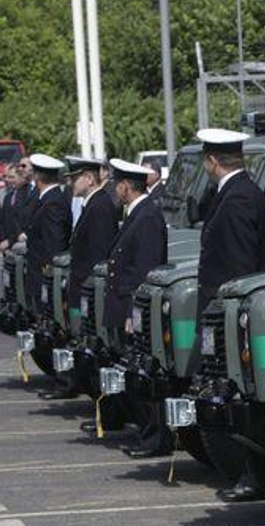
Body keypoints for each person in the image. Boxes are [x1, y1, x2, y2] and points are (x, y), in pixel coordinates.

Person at [195, 127, 265, 499]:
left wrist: (229, 312)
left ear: (212, 161)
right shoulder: (234, 193)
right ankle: (244, 470)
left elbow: (241, 265)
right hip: (224, 312)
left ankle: (252, 473)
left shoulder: (239, 197)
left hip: (232, 315)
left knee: (241, 396)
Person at [101, 158, 167, 458]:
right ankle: (145, 433)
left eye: (118, 184)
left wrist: (132, 313)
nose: (116, 189)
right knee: (132, 374)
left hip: (133, 310)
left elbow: (145, 271)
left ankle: (155, 438)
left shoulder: (148, 216)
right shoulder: (135, 213)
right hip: (124, 307)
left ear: (126, 186)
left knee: (144, 376)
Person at [42, 156, 118, 403]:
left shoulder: (100, 205)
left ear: (88, 178)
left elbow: (99, 254)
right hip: (83, 290)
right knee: (86, 347)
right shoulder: (91, 203)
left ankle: (105, 412)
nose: (72, 183)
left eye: (75, 178)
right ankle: (100, 409)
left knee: (97, 352)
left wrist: (87, 292)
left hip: (90, 291)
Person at [21, 154, 71, 311]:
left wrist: (49, 273)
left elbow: (54, 241)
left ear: (37, 176)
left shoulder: (53, 202)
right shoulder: (46, 198)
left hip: (44, 271)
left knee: (46, 312)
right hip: (38, 268)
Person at [0, 163, 31, 253]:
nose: (8, 180)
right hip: (6, 245)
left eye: (12, 177)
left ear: (21, 177)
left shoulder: (28, 195)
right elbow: (2, 220)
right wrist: (2, 239)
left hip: (20, 242)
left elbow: (23, 222)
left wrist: (10, 240)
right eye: (7, 177)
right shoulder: (8, 196)